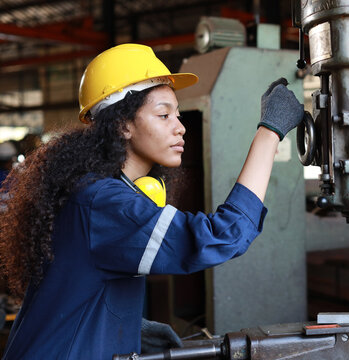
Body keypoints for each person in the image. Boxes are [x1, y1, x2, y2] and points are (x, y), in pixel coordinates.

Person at [0, 43, 303, 359]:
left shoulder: (94, 190)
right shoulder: (104, 203)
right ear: (122, 124)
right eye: (163, 115)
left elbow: (73, 285)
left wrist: (127, 325)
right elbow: (225, 234)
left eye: (177, 114)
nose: (180, 127)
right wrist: (270, 132)